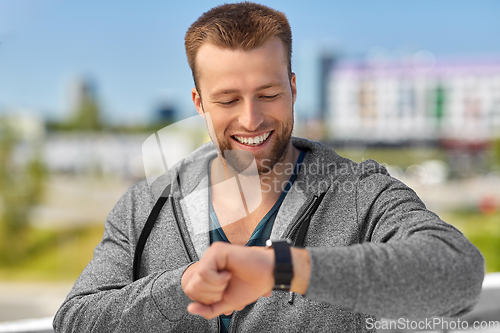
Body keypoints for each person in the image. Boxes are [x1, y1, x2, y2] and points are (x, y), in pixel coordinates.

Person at [53, 2, 485, 332]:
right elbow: (74, 319)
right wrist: (182, 286)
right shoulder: (144, 205)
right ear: (198, 103)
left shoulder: (360, 192)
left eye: (268, 94)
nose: (251, 119)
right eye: (227, 100)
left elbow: (457, 276)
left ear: (293, 88)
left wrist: (282, 269)